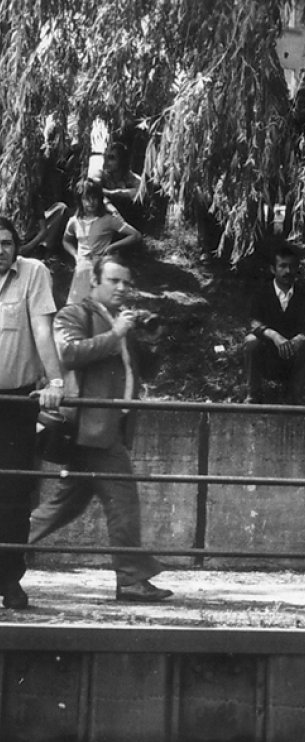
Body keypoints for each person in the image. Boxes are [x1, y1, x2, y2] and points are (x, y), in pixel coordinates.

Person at [28, 254, 172, 602]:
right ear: (94, 282)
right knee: (123, 501)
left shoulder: (115, 320)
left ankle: (6, 542)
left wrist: (150, 340)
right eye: (114, 281)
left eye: (127, 282)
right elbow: (69, 354)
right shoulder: (74, 314)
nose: (123, 288)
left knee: (65, 505)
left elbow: (139, 371)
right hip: (88, 428)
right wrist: (117, 332)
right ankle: (131, 579)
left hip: (104, 428)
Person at [0, 217, 64, 609]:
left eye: (6, 242)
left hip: (16, 403)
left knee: (14, 495)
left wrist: (55, 383)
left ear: (16, 246)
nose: (0, 249)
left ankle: (9, 579)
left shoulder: (33, 273)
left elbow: (43, 330)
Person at [242, 243, 305, 404]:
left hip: (294, 354)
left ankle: (293, 393)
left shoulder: (304, 295)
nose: (288, 271)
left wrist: (300, 338)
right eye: (282, 266)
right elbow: (251, 321)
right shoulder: (261, 293)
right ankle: (253, 393)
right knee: (251, 341)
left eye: (292, 266)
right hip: (268, 354)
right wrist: (273, 335)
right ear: (273, 269)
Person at [63, 178, 141, 305]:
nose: (91, 202)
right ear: (80, 200)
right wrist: (76, 256)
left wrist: (112, 247)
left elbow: (135, 235)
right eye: (86, 198)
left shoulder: (108, 220)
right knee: (77, 304)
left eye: (94, 198)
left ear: (100, 199)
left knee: (101, 303)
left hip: (102, 268)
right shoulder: (74, 221)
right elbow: (66, 241)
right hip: (82, 269)